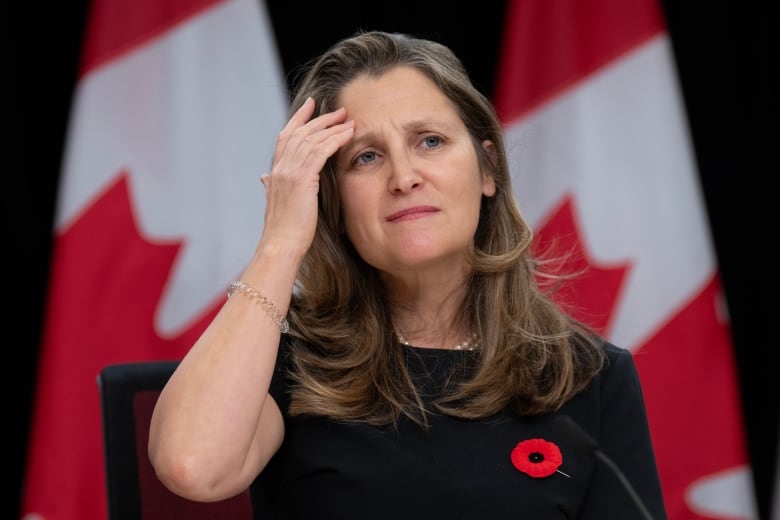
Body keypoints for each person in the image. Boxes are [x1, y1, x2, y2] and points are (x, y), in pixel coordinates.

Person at [148, 30, 668, 519]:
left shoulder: (589, 376)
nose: (404, 177)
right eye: (366, 157)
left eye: (431, 142)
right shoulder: (290, 362)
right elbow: (191, 466)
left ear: (488, 169)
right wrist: (281, 241)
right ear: (331, 199)